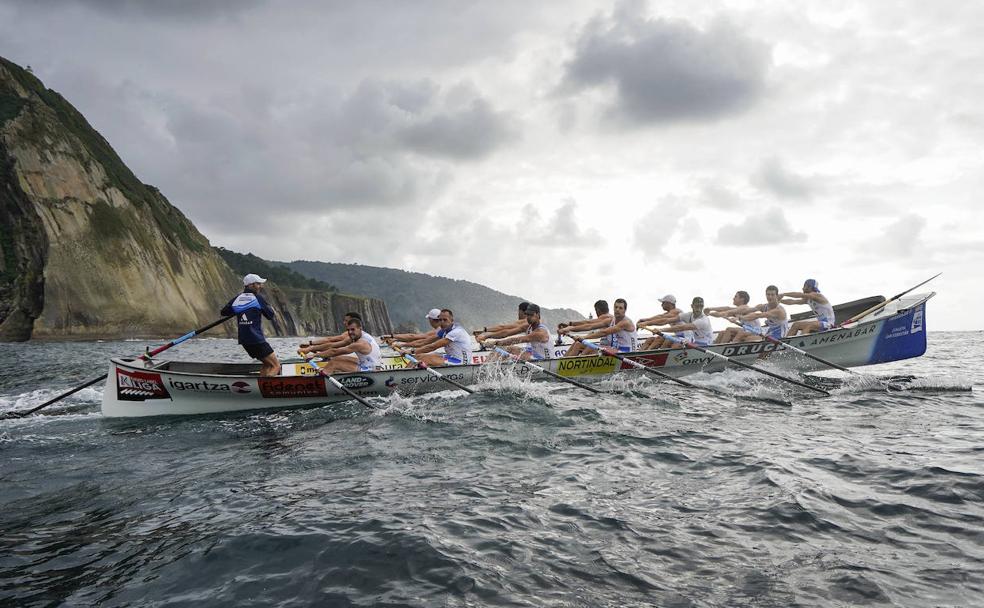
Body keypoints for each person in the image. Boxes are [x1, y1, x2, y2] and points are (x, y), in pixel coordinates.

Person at [221, 273, 281, 376]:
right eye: (258, 284)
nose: (260, 286)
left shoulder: (237, 299)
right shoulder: (257, 298)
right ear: (251, 285)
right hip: (256, 339)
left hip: (244, 341)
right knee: (276, 366)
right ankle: (268, 385)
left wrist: (240, 308)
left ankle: (261, 382)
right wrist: (269, 308)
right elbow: (270, 315)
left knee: (267, 364)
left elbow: (224, 312)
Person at [309, 317, 383, 374]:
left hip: (372, 370)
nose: (350, 332)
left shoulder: (360, 343)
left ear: (360, 328)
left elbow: (334, 351)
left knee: (334, 363)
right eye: (348, 330)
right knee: (337, 358)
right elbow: (332, 345)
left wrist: (314, 355)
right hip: (371, 364)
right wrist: (310, 349)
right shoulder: (359, 335)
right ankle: (329, 373)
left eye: (353, 329)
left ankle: (321, 379)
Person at [566, 298, 636, 357]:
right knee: (578, 344)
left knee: (590, 347)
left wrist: (583, 337)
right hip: (615, 349)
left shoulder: (626, 322)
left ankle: (578, 364)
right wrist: (569, 329)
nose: (617, 309)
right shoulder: (610, 320)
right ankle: (562, 362)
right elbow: (589, 326)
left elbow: (604, 332)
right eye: (616, 307)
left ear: (625, 310)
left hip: (627, 352)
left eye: (620, 308)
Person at [402, 309, 472, 367]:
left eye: (445, 320)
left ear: (451, 320)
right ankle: (405, 374)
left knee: (425, 359)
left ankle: (405, 377)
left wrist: (411, 351)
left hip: (461, 362)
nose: (442, 322)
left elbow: (433, 347)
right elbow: (424, 342)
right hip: (451, 357)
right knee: (419, 356)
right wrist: (402, 345)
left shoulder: (456, 332)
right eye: (440, 320)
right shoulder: (444, 330)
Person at [483, 303, 552, 360]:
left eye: (531, 315)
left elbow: (517, 340)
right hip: (533, 355)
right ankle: (486, 367)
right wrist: (486, 336)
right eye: (527, 314)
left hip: (545, 359)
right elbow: (506, 333)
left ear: (538, 315)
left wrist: (495, 343)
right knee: (506, 349)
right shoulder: (528, 327)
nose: (528, 317)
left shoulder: (541, 332)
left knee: (510, 349)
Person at [648, 296, 714, 348]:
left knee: (676, 346)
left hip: (705, 344)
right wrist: (646, 323)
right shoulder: (688, 315)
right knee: (667, 341)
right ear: (692, 306)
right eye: (697, 306)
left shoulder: (703, 320)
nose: (699, 309)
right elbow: (666, 320)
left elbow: (681, 327)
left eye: (701, 306)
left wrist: (661, 330)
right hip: (693, 340)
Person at [298, 312, 363, 358]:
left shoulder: (350, 335)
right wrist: (312, 346)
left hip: (363, 365)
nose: (344, 323)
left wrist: (311, 347)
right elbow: (332, 345)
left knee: (335, 360)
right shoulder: (353, 335)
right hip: (361, 362)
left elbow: (330, 342)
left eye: (346, 321)